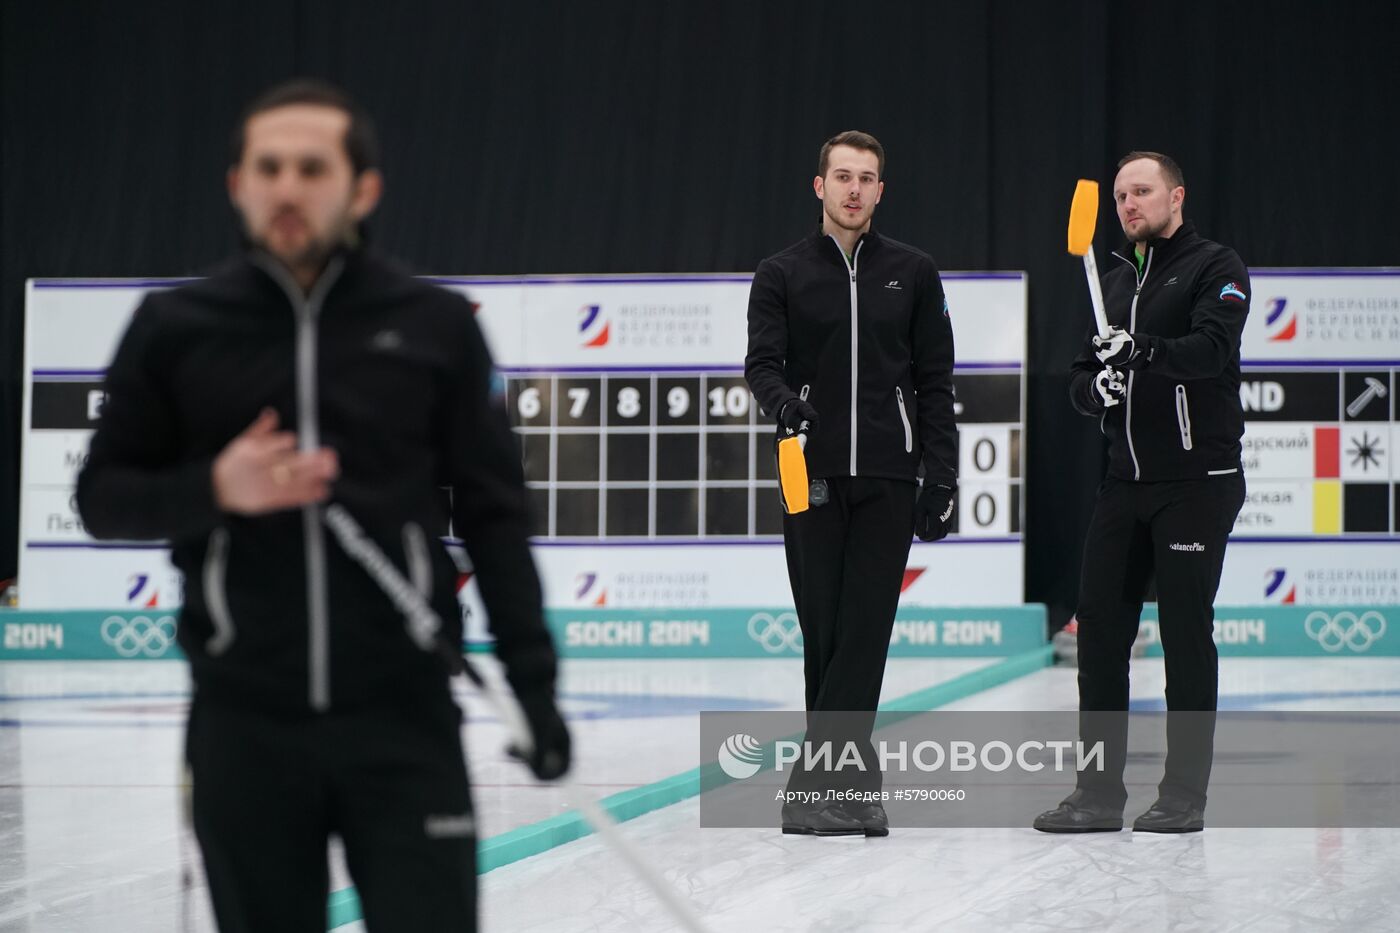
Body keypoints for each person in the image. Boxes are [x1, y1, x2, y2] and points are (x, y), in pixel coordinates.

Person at [75, 79, 570, 931]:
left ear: (362, 188)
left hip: (404, 717)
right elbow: (102, 500)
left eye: (312, 167)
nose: (288, 187)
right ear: (238, 183)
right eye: (268, 167)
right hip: (244, 723)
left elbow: (495, 514)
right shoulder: (175, 327)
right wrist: (215, 488)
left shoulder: (435, 325)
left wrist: (534, 680)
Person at [745, 131, 958, 837]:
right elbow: (761, 365)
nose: (854, 189)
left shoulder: (914, 271)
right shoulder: (780, 272)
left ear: (880, 191)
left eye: (867, 178)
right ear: (819, 186)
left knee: (865, 632)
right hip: (810, 474)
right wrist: (784, 403)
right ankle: (848, 785)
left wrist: (942, 477)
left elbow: (935, 382)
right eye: (843, 176)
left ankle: (817, 790)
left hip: (891, 478)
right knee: (826, 636)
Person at [1035, 151, 1249, 834]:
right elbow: (1078, 371)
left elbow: (1212, 349)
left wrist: (1145, 351)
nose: (1129, 204)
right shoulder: (1113, 280)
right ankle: (1096, 794)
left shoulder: (1217, 267)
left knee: (1186, 635)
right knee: (1098, 636)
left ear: (1176, 195)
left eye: (1142, 192)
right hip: (1123, 483)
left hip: (1197, 483)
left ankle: (1184, 794)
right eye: (1122, 195)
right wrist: (1093, 386)